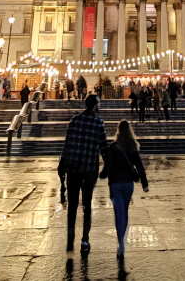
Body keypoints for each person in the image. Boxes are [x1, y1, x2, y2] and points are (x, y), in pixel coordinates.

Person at [58, 94, 106, 254]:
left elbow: (67, 144)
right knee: (87, 205)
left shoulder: (75, 120)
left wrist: (62, 165)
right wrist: (109, 167)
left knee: (72, 205)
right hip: (89, 169)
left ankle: (70, 235)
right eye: (99, 104)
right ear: (94, 106)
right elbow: (103, 147)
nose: (100, 106)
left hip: (73, 168)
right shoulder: (98, 123)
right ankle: (85, 239)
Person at [101, 120, 149, 258]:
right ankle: (122, 240)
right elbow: (139, 165)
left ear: (118, 131)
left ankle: (120, 242)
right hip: (128, 183)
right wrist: (144, 183)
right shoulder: (132, 146)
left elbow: (108, 166)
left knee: (118, 213)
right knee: (125, 211)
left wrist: (102, 174)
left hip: (115, 183)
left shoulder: (113, 147)